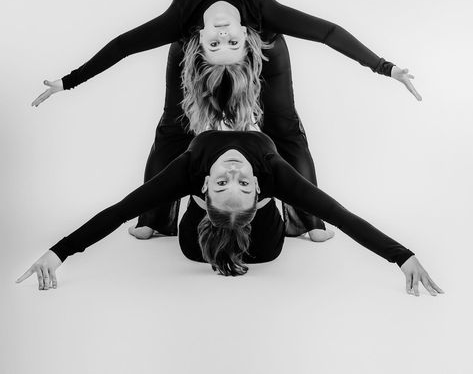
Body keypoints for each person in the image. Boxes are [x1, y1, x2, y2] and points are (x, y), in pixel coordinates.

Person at [31, 0, 421, 241]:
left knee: (283, 124)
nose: (222, 34)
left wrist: (385, 68)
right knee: (175, 124)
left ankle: (308, 221)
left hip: (265, 49)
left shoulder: (247, 21)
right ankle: (154, 218)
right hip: (194, 55)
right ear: (197, 40)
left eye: (228, 42)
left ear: (243, 35)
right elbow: (122, 47)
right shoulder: (188, 35)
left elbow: (329, 33)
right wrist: (69, 82)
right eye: (219, 42)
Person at [16, 131, 442, 297]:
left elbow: (344, 216)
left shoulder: (198, 170)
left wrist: (401, 255)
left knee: (262, 250)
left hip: (248, 221)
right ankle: (226, 243)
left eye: (232, 184)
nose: (234, 174)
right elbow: (118, 211)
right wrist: (61, 251)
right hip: (229, 219)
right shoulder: (267, 173)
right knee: (208, 249)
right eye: (226, 183)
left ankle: (236, 243)